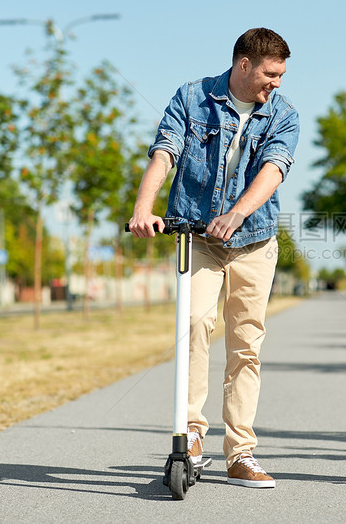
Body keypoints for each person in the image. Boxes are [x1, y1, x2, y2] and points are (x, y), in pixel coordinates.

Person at [128, 28, 299, 488]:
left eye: (281, 74)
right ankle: (191, 435)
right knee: (194, 323)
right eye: (270, 73)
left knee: (246, 344)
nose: (276, 83)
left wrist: (237, 213)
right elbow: (165, 152)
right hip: (197, 237)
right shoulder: (192, 97)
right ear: (244, 65)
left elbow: (273, 169)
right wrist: (144, 208)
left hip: (254, 241)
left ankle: (240, 453)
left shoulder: (283, 115)